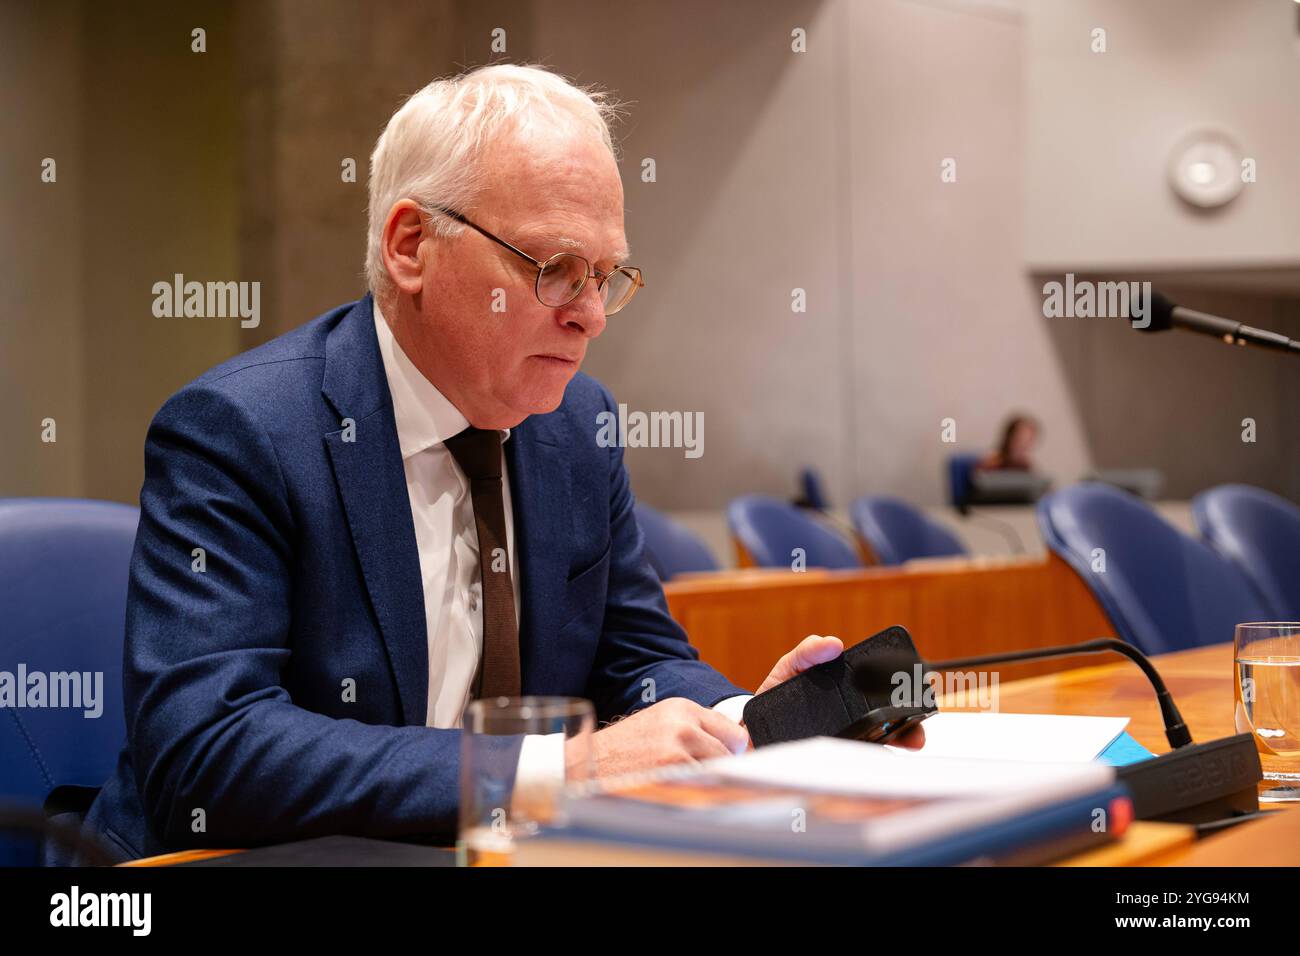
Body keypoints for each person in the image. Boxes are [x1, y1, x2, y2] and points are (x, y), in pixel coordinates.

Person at [79, 64, 903, 863]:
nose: (590, 318)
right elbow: (210, 750)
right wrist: (556, 771)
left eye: (606, 276)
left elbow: (637, 655)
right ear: (412, 246)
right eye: (554, 270)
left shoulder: (578, 424)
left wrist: (745, 721)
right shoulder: (242, 431)